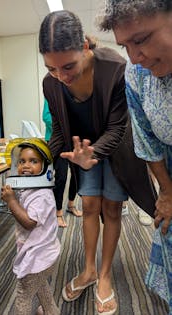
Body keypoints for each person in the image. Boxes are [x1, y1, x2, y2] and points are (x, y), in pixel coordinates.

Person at [39, 10, 157, 315]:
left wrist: (92, 155)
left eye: (68, 66)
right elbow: (60, 130)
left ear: (85, 48)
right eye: (51, 68)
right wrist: (42, 159)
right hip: (82, 149)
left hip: (116, 147)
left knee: (111, 208)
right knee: (89, 205)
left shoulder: (114, 67)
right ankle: (89, 270)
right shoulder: (50, 84)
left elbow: (118, 127)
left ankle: (105, 276)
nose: (61, 77)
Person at [98, 0, 172, 313]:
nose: (134, 57)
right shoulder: (135, 73)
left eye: (140, 40)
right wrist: (167, 191)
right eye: (124, 46)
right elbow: (145, 138)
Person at [1, 138, 60, 315]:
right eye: (22, 161)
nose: (26, 165)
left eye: (33, 161)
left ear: (45, 167)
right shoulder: (30, 189)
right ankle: (51, 311)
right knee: (41, 285)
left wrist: (11, 201)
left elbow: (28, 222)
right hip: (40, 252)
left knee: (23, 296)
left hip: (38, 255)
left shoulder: (42, 195)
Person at [42, 98, 82, 227]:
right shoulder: (51, 93)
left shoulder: (74, 94)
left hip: (74, 140)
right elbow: (47, 117)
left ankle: (71, 204)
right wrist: (65, 128)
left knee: (77, 175)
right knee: (61, 176)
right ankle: (58, 212)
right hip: (57, 139)